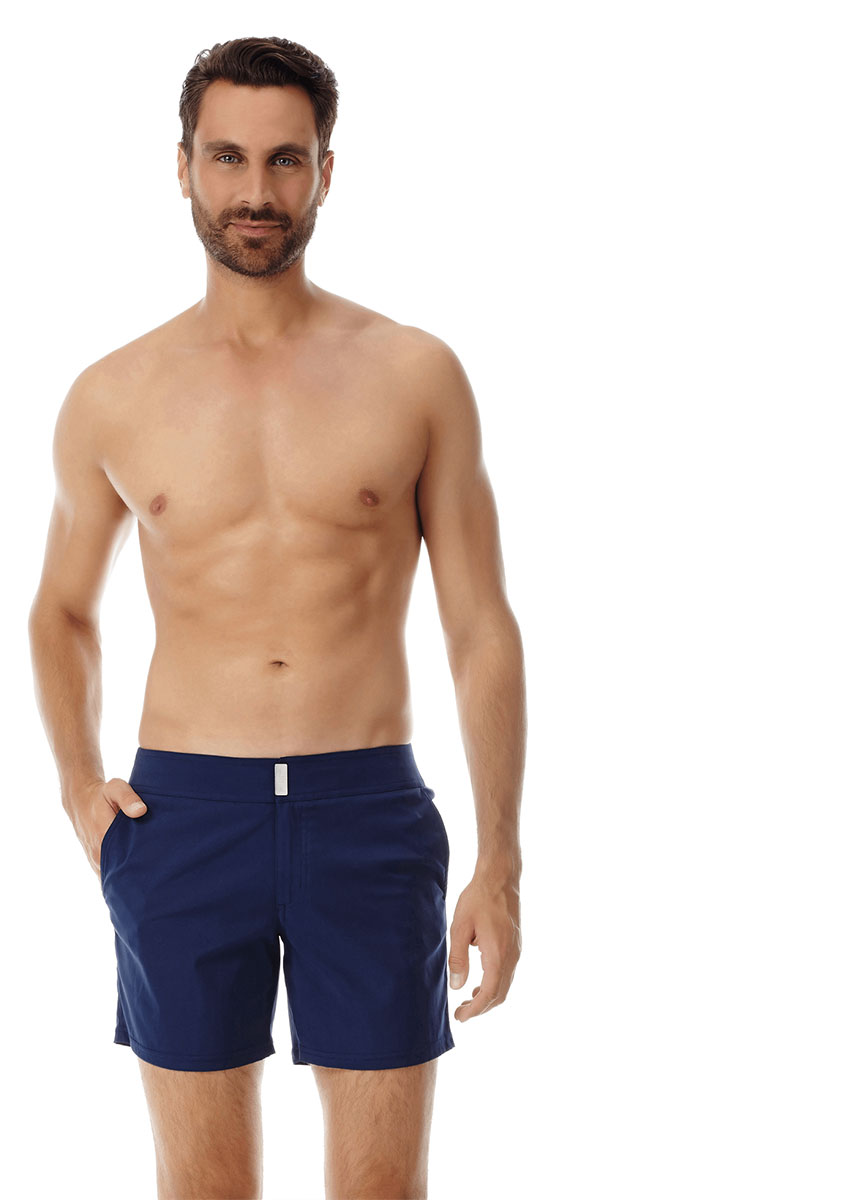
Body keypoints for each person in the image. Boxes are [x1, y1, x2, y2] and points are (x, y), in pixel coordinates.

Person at [28, 35, 525, 1200]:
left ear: (325, 172)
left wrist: (500, 859)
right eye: (229, 158)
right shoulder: (113, 394)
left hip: (368, 813)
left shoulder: (415, 374)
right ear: (184, 167)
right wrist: (77, 786)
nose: (256, 191)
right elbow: (61, 611)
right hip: (182, 816)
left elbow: (480, 629)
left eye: (285, 160)